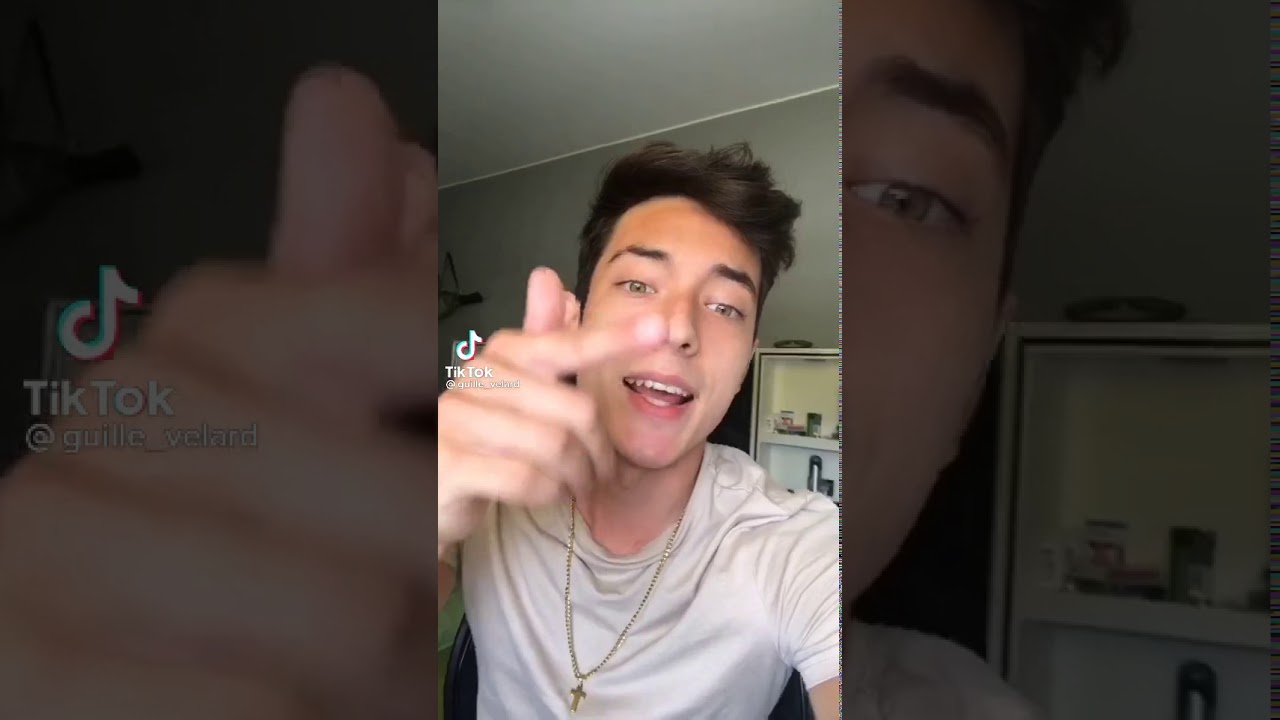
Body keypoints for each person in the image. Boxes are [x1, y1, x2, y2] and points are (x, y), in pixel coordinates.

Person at [437, 142, 839, 718]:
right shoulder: (494, 485)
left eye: (725, 306)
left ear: (747, 361)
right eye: (640, 285)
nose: (678, 329)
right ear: (579, 317)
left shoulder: (798, 546)